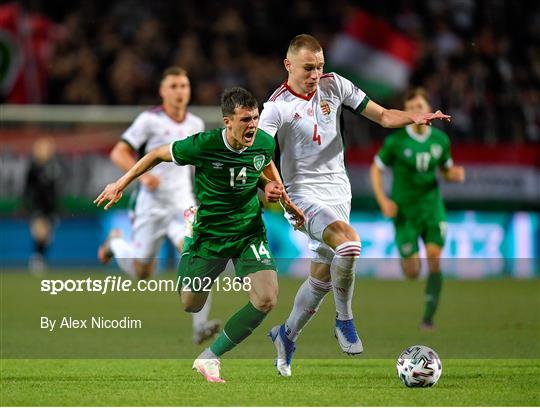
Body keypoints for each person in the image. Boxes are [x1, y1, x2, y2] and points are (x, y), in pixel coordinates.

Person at [258, 34, 451, 377]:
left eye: (320, 66)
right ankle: (344, 319)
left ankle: (286, 336)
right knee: (349, 243)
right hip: (302, 197)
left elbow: (383, 116)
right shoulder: (276, 106)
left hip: (339, 193)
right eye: (308, 67)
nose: (315, 74)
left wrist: (415, 118)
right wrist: (277, 188)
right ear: (288, 65)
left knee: (321, 276)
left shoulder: (336, 86)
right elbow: (260, 153)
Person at [94, 87, 304, 383]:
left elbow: (265, 163)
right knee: (190, 303)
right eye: (245, 120)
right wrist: (121, 183)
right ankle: (186, 243)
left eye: (255, 118)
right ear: (227, 121)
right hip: (209, 236)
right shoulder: (203, 145)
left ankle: (210, 358)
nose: (253, 125)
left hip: (248, 232)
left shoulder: (263, 142)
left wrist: (278, 194)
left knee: (266, 298)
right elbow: (156, 154)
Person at [96, 66, 220, 345]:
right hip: (150, 206)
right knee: (142, 272)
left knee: (199, 258)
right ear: (163, 91)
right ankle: (115, 243)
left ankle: (200, 327)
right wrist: (145, 174)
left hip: (183, 206)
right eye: (174, 86)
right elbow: (119, 152)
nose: (180, 91)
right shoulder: (148, 121)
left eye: (184, 86)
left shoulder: (196, 125)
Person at [370, 87, 465, 329]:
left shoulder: (440, 140)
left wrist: (453, 174)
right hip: (405, 213)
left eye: (420, 107)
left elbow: (446, 169)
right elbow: (376, 169)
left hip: (432, 208)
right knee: (412, 271)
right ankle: (409, 261)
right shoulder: (396, 141)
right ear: (406, 112)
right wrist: (383, 201)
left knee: (434, 258)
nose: (416, 111)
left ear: (428, 109)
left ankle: (428, 317)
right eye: (411, 108)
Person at [24, 137, 62, 273]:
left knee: (47, 237)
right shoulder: (34, 168)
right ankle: (37, 259)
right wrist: (27, 204)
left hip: (49, 207)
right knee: (40, 232)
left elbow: (55, 190)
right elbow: (27, 188)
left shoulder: (54, 167)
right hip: (37, 205)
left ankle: (40, 258)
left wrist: (56, 207)